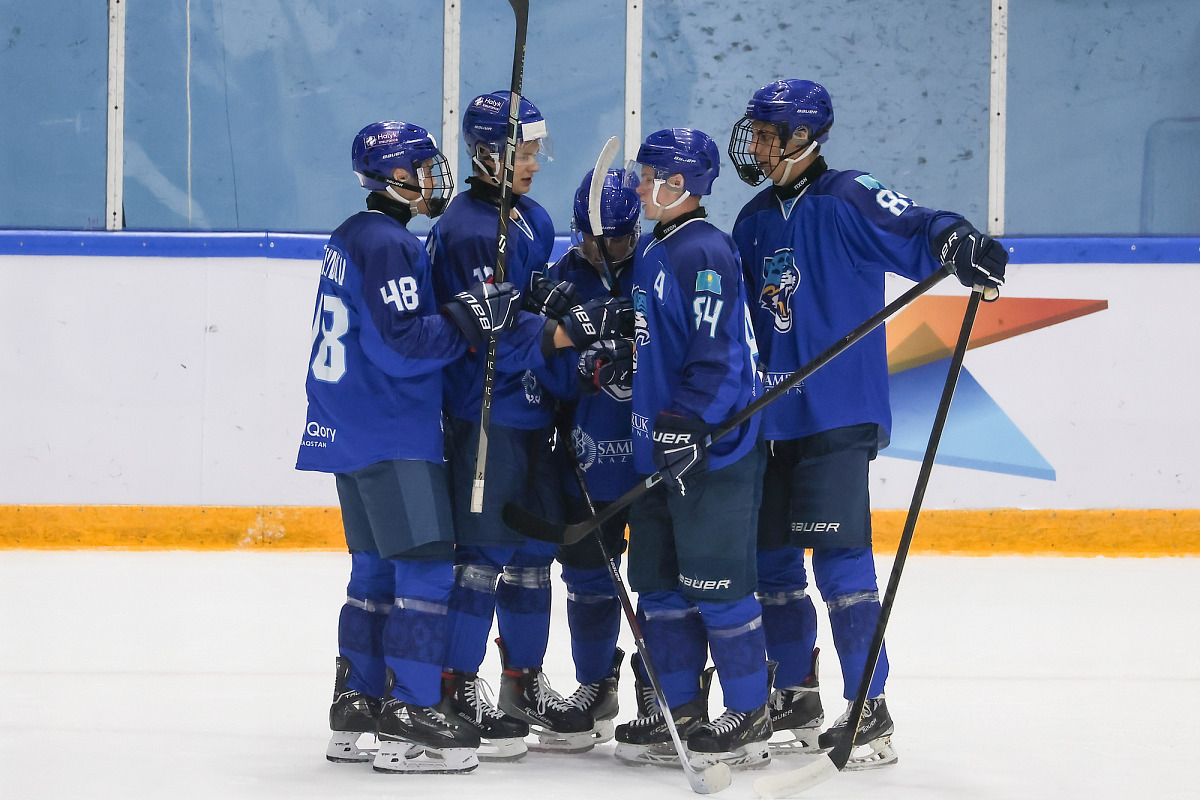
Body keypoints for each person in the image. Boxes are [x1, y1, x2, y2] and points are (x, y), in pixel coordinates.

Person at [726, 79, 1007, 769]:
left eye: (767, 134)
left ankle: (869, 708)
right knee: (771, 567)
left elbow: (918, 223)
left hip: (837, 411)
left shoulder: (848, 195)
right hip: (769, 417)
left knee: (842, 565)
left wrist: (958, 240)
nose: (756, 145)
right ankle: (794, 694)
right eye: (754, 132)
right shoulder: (752, 219)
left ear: (802, 138)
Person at [298, 120, 529, 774]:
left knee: (374, 571)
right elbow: (404, 345)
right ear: (396, 177)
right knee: (426, 569)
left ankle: (357, 705)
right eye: (424, 169)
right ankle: (412, 714)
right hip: (393, 430)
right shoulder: (390, 243)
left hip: (347, 428)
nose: (434, 178)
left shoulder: (351, 234)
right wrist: (471, 316)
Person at [426, 91, 632, 758]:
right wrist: (565, 332)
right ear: (489, 153)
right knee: (481, 558)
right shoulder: (466, 230)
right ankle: (455, 690)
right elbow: (485, 332)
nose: (536, 163)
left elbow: (526, 306)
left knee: (532, 557)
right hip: (485, 414)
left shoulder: (534, 220)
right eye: (525, 152)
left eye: (539, 151)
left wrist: (559, 334)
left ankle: (522, 683)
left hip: (535, 414)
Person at [610, 128, 773, 771]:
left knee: (718, 587)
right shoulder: (658, 246)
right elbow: (661, 340)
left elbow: (720, 354)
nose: (639, 185)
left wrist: (689, 422)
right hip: (659, 448)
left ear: (680, 184)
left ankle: (750, 712)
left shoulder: (702, 248)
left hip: (711, 450)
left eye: (650, 175)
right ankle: (677, 710)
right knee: (657, 587)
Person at [539, 167, 645, 742]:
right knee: (586, 578)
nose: (599, 250)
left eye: (614, 240)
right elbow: (543, 365)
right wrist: (575, 369)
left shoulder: (657, 265)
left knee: (660, 583)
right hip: (587, 457)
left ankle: (660, 690)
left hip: (654, 457)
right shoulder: (563, 276)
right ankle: (596, 684)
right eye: (588, 238)